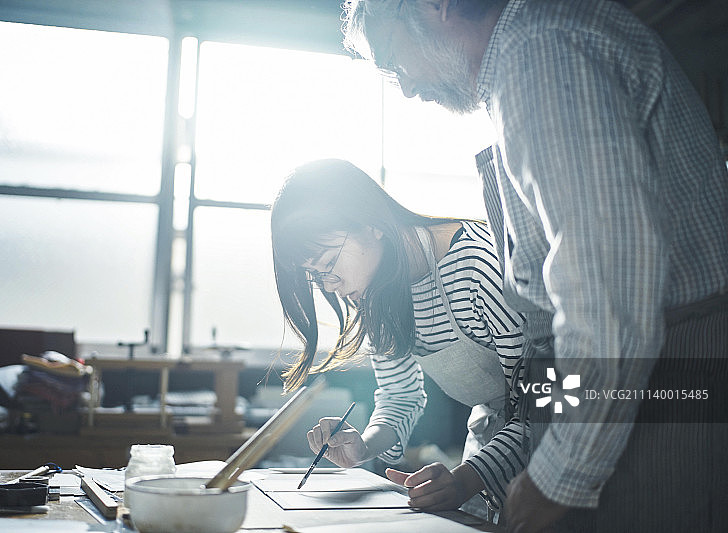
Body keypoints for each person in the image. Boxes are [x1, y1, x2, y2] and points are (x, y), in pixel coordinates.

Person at [341, 1, 728, 533]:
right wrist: (517, 459)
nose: (404, 87)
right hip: (594, 378)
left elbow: (608, 289)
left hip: (664, 369)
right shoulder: (519, 63)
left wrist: (554, 475)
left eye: (392, 58)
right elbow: (542, 346)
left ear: (436, 5)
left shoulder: (539, 52)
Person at [271, 158, 526, 517]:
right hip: (488, 447)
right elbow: (400, 395)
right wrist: (363, 446)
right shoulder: (376, 291)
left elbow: (544, 404)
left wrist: (468, 478)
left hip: (557, 442)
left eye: (328, 264)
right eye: (316, 275)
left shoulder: (478, 266)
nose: (330, 286)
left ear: (370, 223)